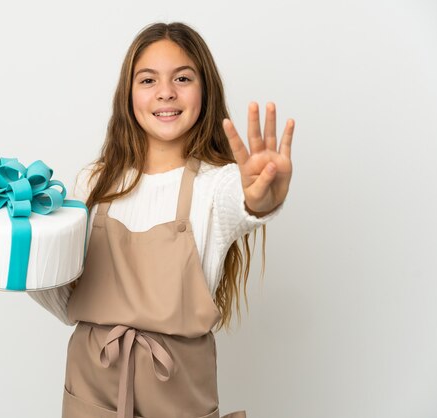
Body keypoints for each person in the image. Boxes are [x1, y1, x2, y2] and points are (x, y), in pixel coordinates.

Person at [28, 21, 294, 418]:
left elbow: (240, 205)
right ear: (128, 95)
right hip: (92, 386)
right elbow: (63, 297)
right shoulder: (94, 183)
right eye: (148, 79)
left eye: (182, 77)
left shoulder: (214, 186)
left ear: (205, 90)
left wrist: (261, 199)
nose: (165, 92)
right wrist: (23, 254)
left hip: (178, 391)